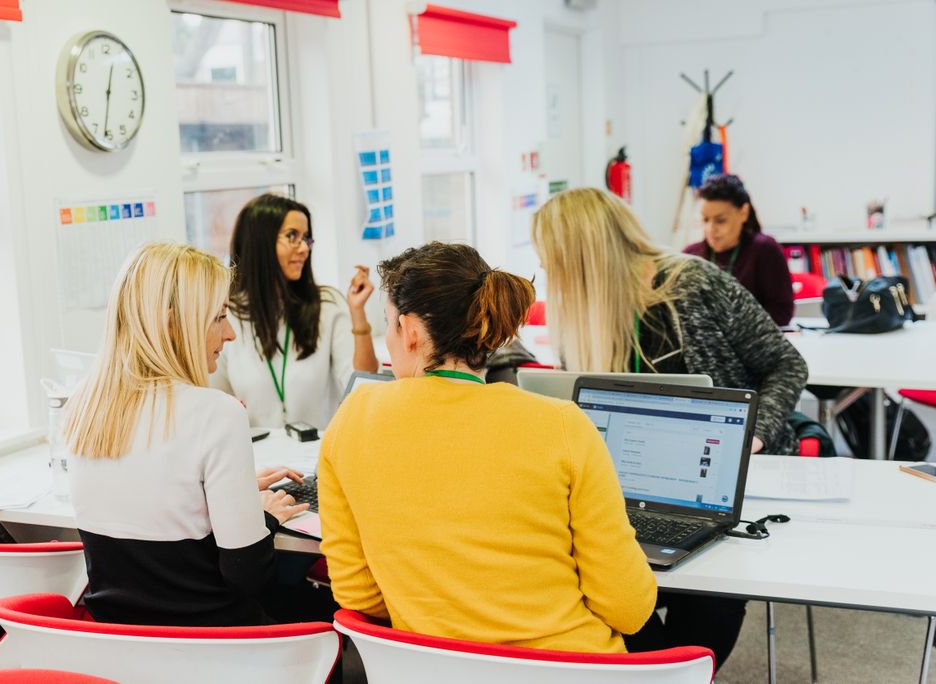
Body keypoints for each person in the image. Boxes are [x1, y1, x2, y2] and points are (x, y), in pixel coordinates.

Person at [318, 241, 656, 653]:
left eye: (387, 323)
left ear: (409, 332)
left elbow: (358, 594)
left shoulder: (353, 418)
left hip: (430, 671)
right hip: (570, 669)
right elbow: (629, 607)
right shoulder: (561, 425)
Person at [532, 187, 808, 666]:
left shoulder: (694, 282)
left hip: (720, 479)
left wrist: (753, 434)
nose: (550, 274)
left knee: (707, 591)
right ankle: (661, 669)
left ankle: (673, 668)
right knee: (570, 571)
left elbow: (786, 365)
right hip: (625, 485)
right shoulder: (582, 315)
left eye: (553, 259)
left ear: (582, 255)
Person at [63, 242, 312, 627]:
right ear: (173, 325)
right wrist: (263, 516)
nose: (229, 334)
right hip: (214, 647)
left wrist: (228, 492)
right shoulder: (216, 413)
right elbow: (248, 577)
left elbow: (154, 505)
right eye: (219, 318)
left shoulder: (85, 404)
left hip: (119, 647)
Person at [210, 193, 379, 428]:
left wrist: (358, 314)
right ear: (261, 242)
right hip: (261, 460)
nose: (304, 249)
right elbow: (216, 403)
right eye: (292, 237)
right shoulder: (227, 315)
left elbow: (363, 383)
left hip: (317, 455)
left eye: (306, 239)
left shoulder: (327, 305)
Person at [683, 174, 794, 326]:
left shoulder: (765, 250)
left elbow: (782, 312)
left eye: (720, 220)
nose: (710, 229)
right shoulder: (690, 255)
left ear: (743, 213)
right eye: (705, 220)